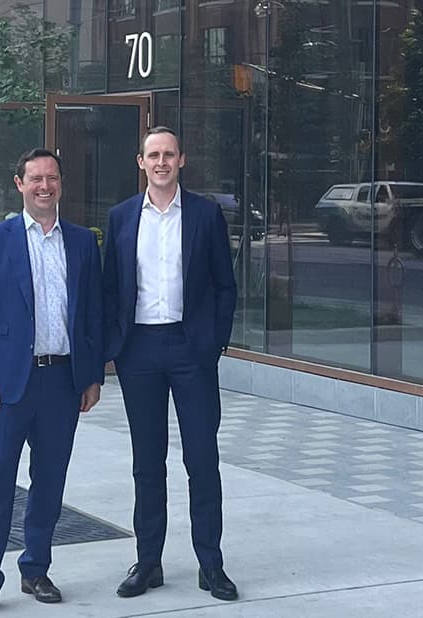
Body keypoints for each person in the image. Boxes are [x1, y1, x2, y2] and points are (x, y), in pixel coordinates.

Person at [0, 148, 104, 618]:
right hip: (6, 386)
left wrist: (92, 374)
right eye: (36, 178)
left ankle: (35, 568)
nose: (45, 186)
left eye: (53, 178)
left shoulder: (82, 242)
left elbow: (92, 316)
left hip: (62, 382)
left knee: (50, 483)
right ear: (19, 184)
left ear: (61, 184)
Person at [102, 127, 239, 602]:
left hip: (190, 349)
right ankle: (149, 562)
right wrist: (113, 348)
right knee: (147, 462)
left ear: (182, 160)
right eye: (152, 155)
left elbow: (226, 284)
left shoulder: (204, 214)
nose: (161, 162)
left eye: (169, 154)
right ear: (140, 163)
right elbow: (110, 288)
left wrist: (213, 342)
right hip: (138, 350)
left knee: (202, 459)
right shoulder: (121, 217)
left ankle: (211, 564)